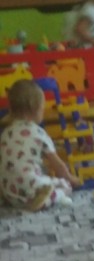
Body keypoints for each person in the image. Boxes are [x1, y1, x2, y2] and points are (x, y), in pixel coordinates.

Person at [0, 80, 78, 211]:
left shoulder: (6, 132)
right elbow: (58, 165)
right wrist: (71, 179)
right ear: (35, 109)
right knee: (64, 185)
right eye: (42, 108)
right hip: (31, 186)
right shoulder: (39, 133)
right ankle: (52, 197)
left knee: (20, 179)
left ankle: (11, 197)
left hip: (9, 191)